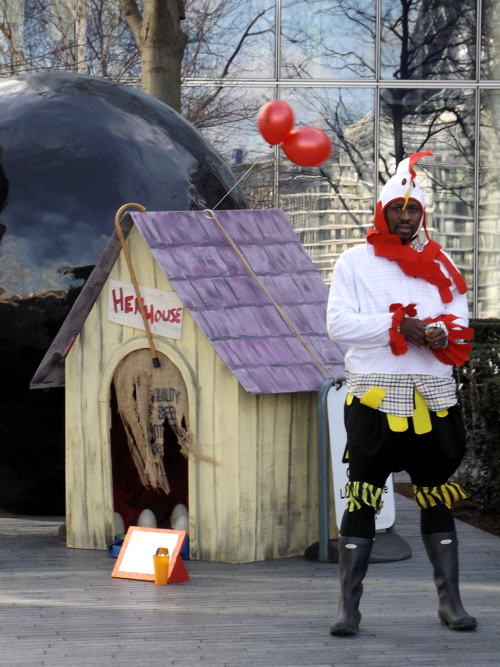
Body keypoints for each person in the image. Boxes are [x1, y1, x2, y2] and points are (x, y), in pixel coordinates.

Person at [326, 150, 476, 636]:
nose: (407, 217)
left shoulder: (444, 263)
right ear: (382, 212)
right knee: (364, 497)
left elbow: (462, 326)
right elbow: (337, 325)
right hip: (374, 396)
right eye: (398, 208)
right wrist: (398, 325)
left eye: (414, 210)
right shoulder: (353, 261)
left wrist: (438, 334)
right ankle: (349, 608)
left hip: (432, 395)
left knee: (436, 497)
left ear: (422, 214)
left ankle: (450, 604)